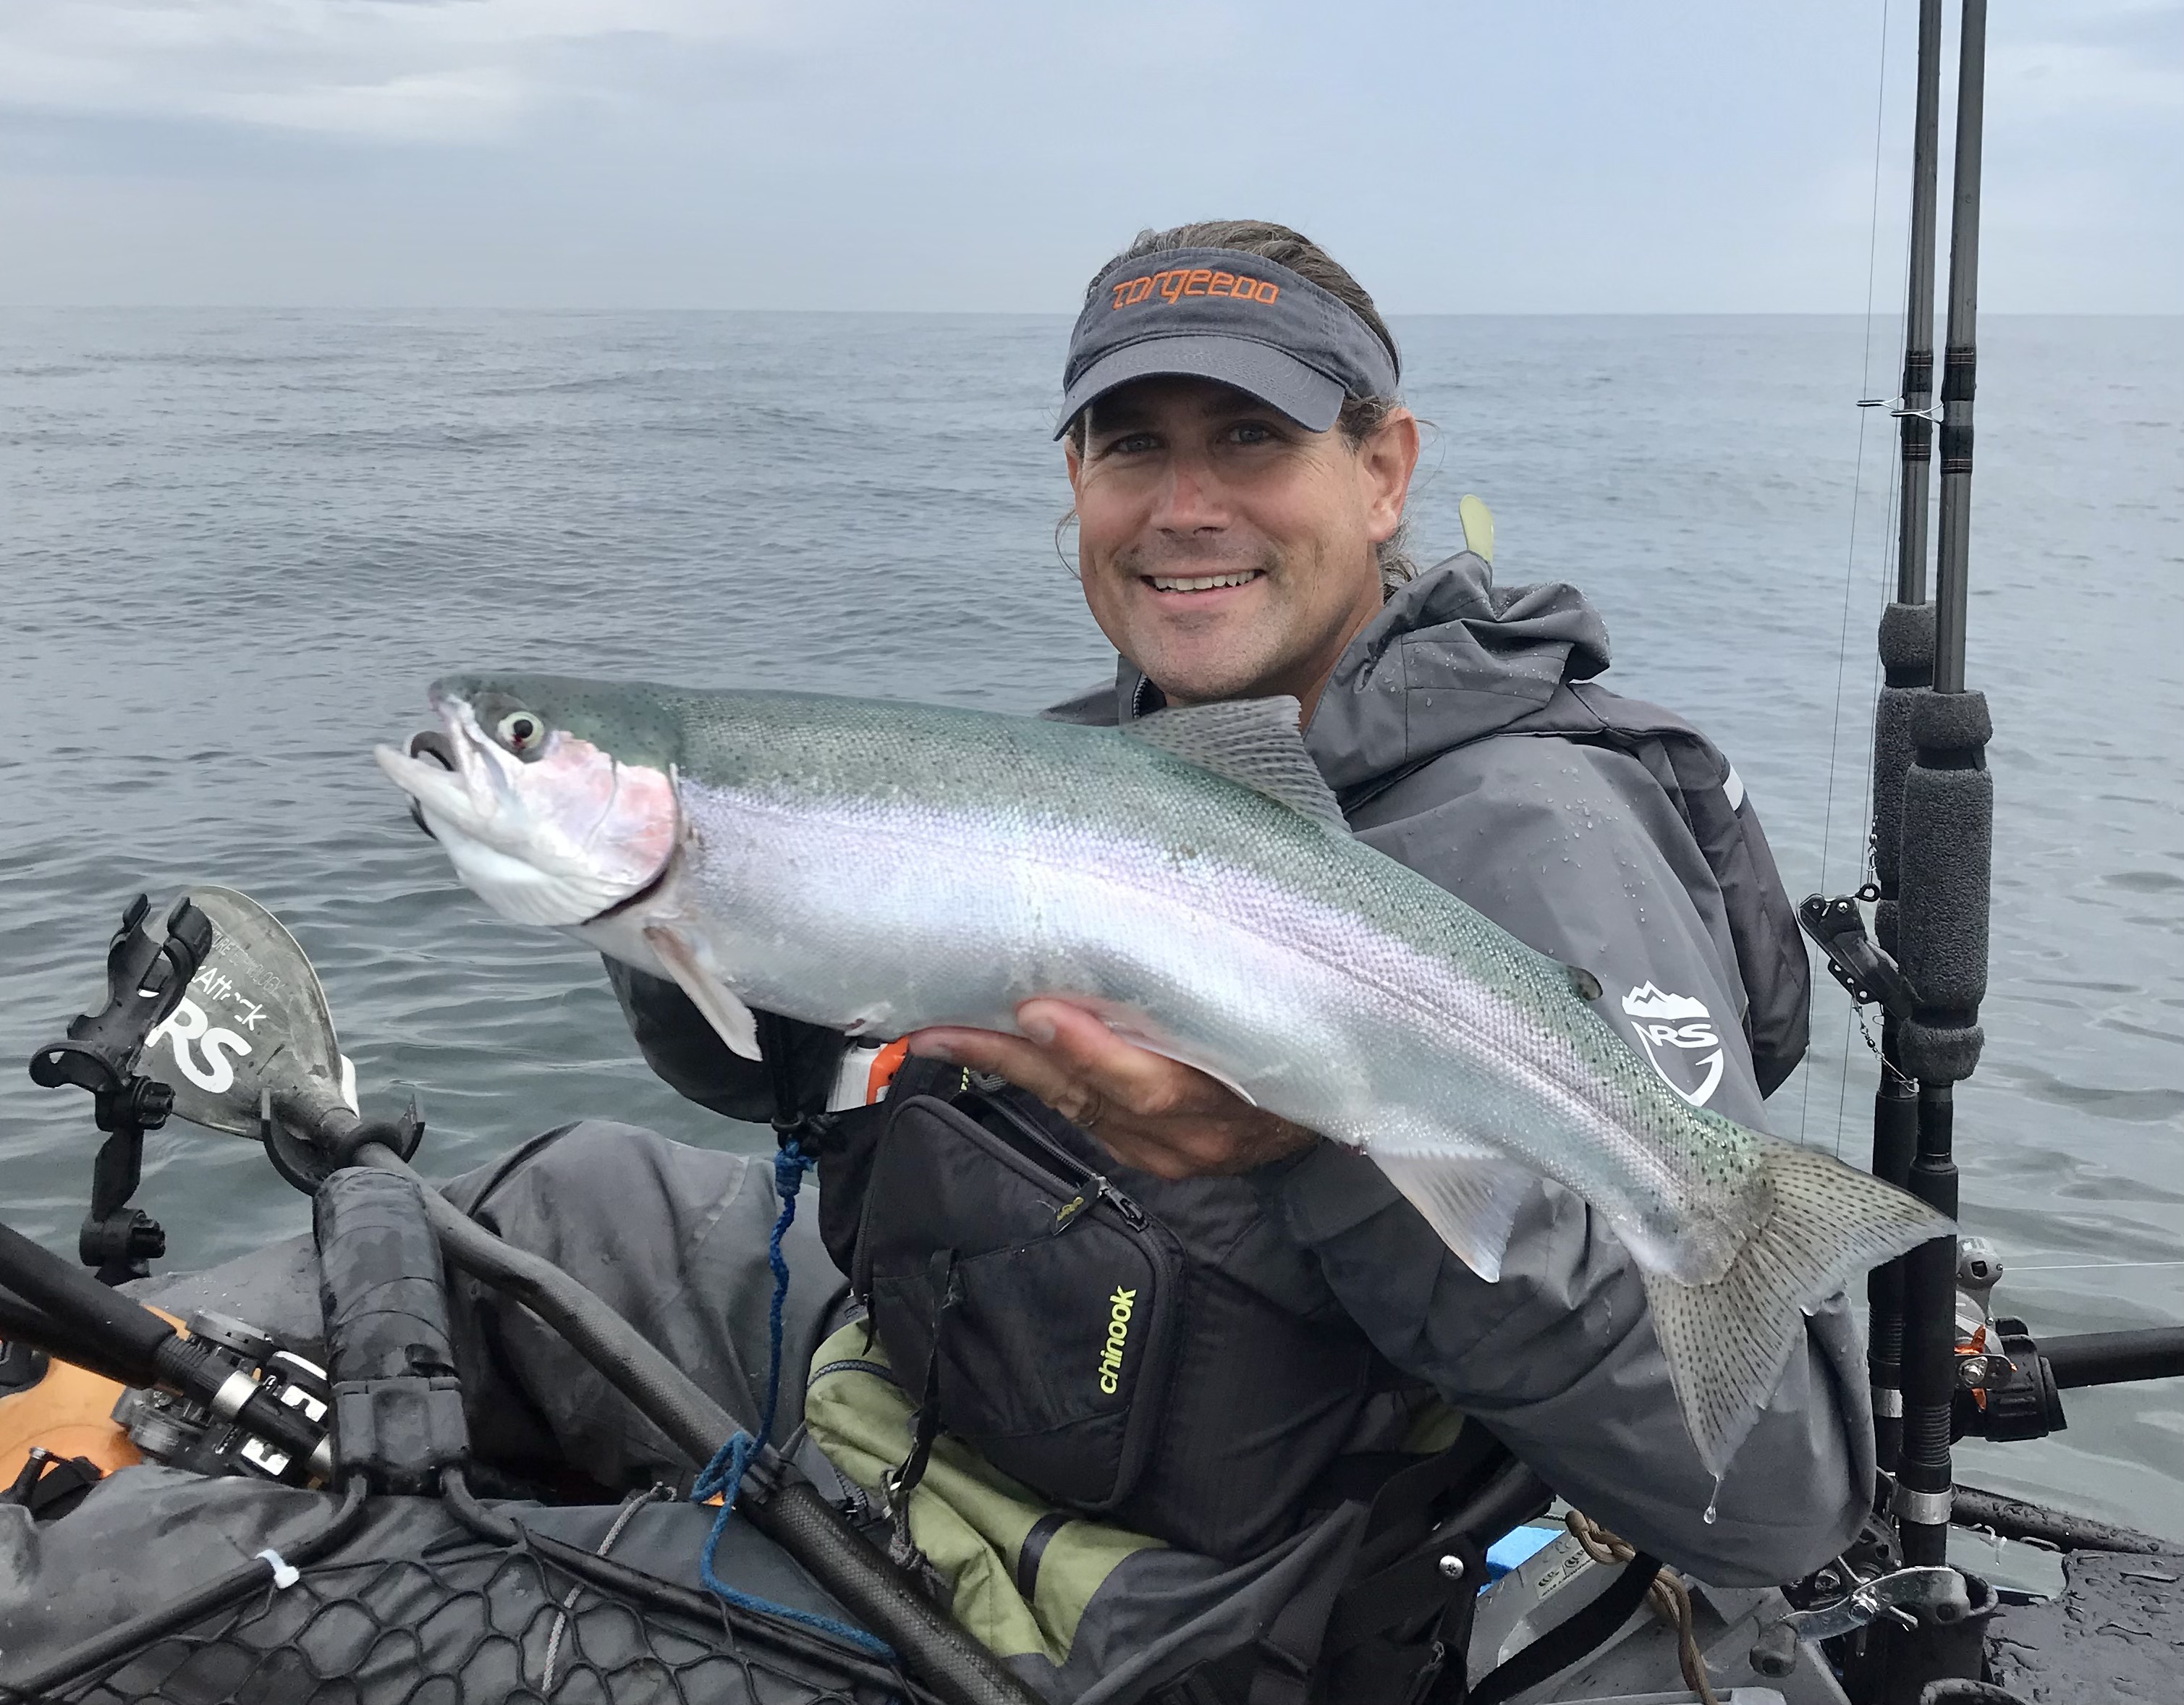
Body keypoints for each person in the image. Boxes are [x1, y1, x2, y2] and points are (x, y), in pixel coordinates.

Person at [150, 221, 1867, 1705]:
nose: (1185, 507)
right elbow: (778, 1069)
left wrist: (1308, 1145)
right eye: (1133, 447)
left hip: (1184, 1594)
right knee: (546, 1200)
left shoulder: (1535, 833)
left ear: (1385, 469)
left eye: (1250, 441)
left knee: (296, 1599)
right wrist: (662, 929)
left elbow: (1783, 1488)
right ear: (1075, 483)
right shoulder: (1099, 762)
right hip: (967, 1367)